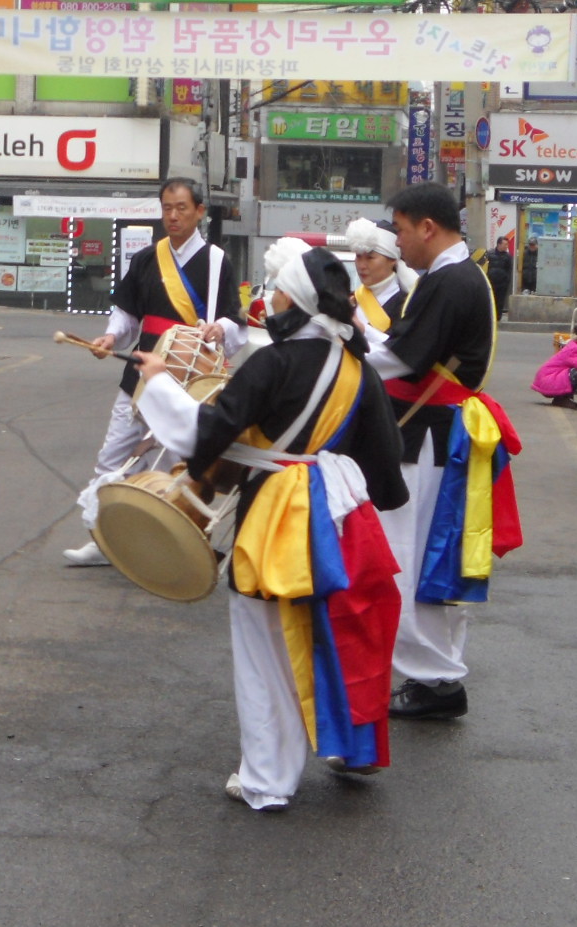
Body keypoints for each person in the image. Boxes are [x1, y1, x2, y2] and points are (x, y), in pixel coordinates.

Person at [132, 240, 407, 808]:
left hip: (272, 519)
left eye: (278, 289)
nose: (270, 298)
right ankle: (348, 745)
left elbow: (202, 433)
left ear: (298, 300)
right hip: (337, 521)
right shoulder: (358, 370)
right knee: (335, 639)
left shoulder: (272, 362)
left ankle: (267, 778)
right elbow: (385, 464)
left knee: (263, 650)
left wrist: (158, 380)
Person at [364, 183, 522, 721]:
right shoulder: (454, 275)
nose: (397, 242)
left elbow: (400, 359)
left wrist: (338, 348)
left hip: (429, 435)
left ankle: (436, 679)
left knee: (412, 560)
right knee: (437, 558)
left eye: (402, 230)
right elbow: (403, 349)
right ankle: (438, 672)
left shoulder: (451, 279)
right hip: (441, 432)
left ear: (427, 227)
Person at [65, 178, 245, 567]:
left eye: (181, 208)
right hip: (142, 370)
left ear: (199, 211)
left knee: (169, 465)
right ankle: (102, 538)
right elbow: (128, 314)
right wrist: (112, 337)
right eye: (167, 207)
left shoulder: (217, 262)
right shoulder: (147, 258)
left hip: (188, 380)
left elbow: (236, 321)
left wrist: (220, 329)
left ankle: (159, 547)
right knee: (113, 455)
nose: (173, 216)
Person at [344, 217, 418, 332]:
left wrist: (364, 330)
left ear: (392, 260)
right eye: (358, 257)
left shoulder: (408, 306)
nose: (362, 265)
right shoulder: (350, 301)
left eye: (370, 258)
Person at [485, 242, 513, 321]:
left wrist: (506, 281)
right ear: (499, 244)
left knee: (500, 301)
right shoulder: (490, 254)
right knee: (491, 300)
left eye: (507, 244)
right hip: (491, 282)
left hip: (502, 283)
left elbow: (509, 270)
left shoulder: (507, 256)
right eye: (505, 244)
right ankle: (490, 316)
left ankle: (498, 318)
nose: (506, 246)